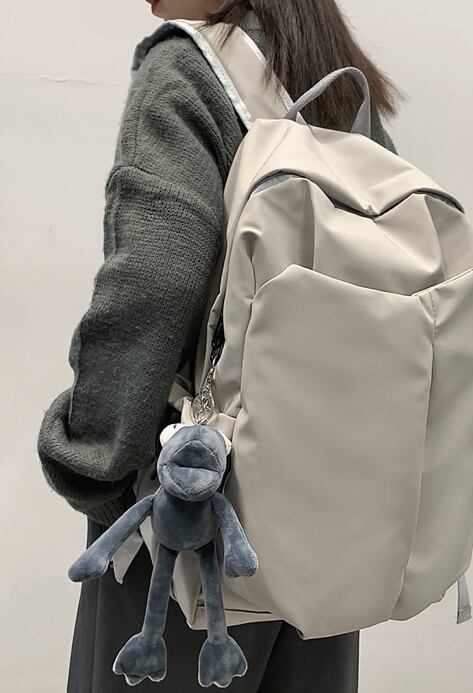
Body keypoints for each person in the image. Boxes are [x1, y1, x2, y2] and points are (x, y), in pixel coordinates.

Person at [36, 0, 401, 690]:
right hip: (329, 513)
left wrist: (91, 458)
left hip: (190, 513)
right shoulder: (336, 84)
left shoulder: (186, 69)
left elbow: (154, 278)